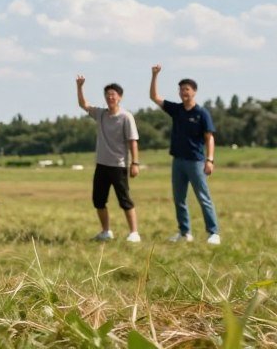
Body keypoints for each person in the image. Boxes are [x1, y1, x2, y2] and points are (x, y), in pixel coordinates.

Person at [150, 65, 220, 245]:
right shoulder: (177, 109)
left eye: (187, 89)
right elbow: (154, 97)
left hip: (196, 162)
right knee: (179, 198)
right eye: (181, 90)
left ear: (194, 92)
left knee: (203, 198)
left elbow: (209, 138)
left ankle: (213, 233)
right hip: (178, 161)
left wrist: (210, 160)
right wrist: (155, 75)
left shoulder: (201, 113)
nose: (183, 92)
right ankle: (184, 232)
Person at [76, 75, 140, 243]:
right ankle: (106, 231)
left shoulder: (126, 117)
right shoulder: (101, 114)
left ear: (120, 97)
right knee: (98, 200)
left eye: (113, 94)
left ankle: (134, 232)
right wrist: (80, 86)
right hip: (101, 165)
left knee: (124, 200)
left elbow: (133, 141)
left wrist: (135, 163)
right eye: (107, 94)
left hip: (118, 166)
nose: (110, 97)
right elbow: (83, 105)